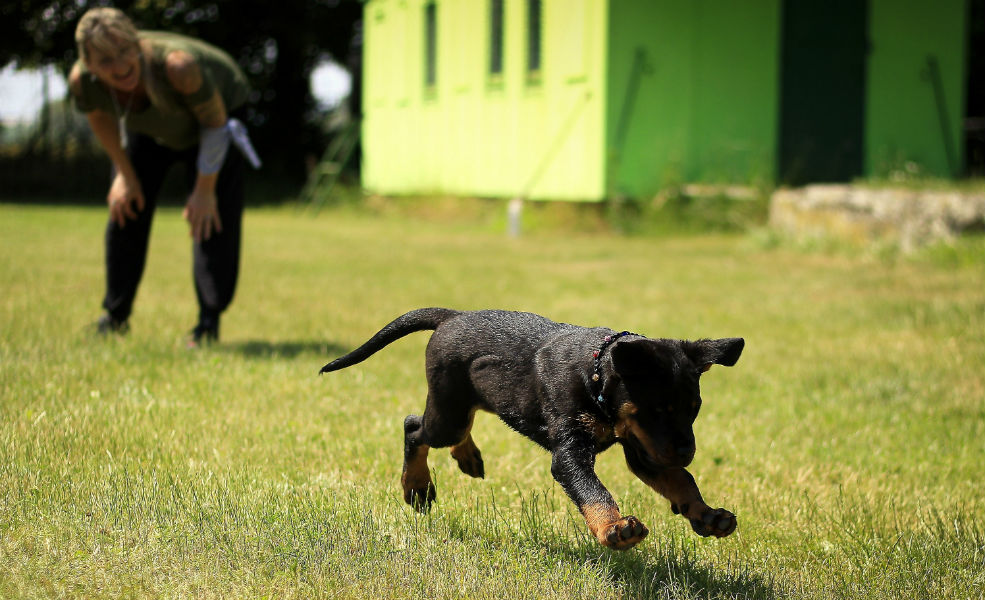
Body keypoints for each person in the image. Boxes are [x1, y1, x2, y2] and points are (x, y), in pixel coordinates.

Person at [69, 7, 260, 347]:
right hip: (151, 128)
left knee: (210, 219)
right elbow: (99, 117)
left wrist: (204, 190)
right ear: (89, 63)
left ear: (137, 43)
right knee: (125, 208)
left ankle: (207, 324)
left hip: (214, 122)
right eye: (106, 60)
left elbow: (215, 124)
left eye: (126, 51)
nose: (121, 66)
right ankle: (115, 316)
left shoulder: (178, 67)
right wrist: (123, 174)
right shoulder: (83, 81)